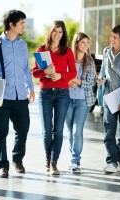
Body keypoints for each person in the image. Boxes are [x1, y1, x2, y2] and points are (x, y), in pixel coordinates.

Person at [0, 10, 35, 178]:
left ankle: (17, 159)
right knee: (1, 131)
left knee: (23, 128)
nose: (23, 26)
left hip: (20, 95)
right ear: (11, 25)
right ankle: (3, 165)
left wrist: (31, 88)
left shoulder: (23, 45)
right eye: (21, 23)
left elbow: (25, 69)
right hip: (1, 95)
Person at [33, 20, 77, 175]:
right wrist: (45, 72)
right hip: (45, 94)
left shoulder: (67, 51)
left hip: (62, 94)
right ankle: (47, 160)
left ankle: (54, 163)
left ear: (63, 34)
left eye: (60, 32)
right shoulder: (42, 49)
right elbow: (35, 73)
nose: (57, 35)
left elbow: (73, 72)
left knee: (58, 131)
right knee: (47, 130)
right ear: (50, 32)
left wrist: (60, 75)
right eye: (55, 31)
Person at [97, 25, 120, 173]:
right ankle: (111, 161)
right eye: (111, 36)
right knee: (109, 131)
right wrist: (101, 79)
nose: (111, 39)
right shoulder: (106, 51)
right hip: (109, 97)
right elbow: (104, 71)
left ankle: (118, 159)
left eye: (115, 37)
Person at [65, 32, 95, 173]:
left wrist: (75, 80)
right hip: (66, 99)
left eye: (87, 43)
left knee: (78, 131)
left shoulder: (89, 61)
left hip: (82, 100)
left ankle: (75, 161)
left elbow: (90, 83)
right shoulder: (67, 58)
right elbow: (62, 76)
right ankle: (74, 156)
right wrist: (68, 81)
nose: (85, 45)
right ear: (76, 43)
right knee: (70, 131)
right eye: (83, 42)